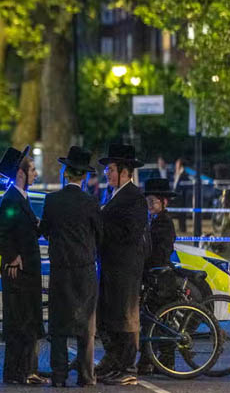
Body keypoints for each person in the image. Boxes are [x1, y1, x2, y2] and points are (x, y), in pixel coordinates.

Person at [39, 146, 103, 388]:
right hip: (85, 270)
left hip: (60, 269)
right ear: (84, 176)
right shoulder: (90, 203)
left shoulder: (52, 201)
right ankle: (86, 376)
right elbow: (100, 234)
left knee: (58, 327)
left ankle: (59, 376)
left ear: (65, 172)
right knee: (86, 328)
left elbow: (44, 230)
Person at [0, 146, 46, 385]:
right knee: (20, 323)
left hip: (27, 272)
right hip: (20, 273)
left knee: (27, 321)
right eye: (32, 170)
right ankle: (18, 373)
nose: (36, 175)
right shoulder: (12, 199)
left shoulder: (21, 198)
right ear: (21, 173)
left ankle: (28, 370)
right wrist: (11, 256)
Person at [96, 144, 149, 386]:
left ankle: (128, 367)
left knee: (126, 318)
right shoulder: (114, 194)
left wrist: (103, 228)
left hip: (125, 268)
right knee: (111, 316)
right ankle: (115, 362)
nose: (107, 173)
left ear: (125, 171)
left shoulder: (134, 197)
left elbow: (132, 232)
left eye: (111, 169)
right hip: (111, 266)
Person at [137, 177, 178, 375]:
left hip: (161, 279)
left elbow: (160, 253)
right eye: (148, 202)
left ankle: (163, 360)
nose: (150, 205)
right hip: (154, 278)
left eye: (153, 202)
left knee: (157, 321)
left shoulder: (164, 223)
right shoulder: (154, 221)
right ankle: (150, 360)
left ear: (164, 202)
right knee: (152, 321)